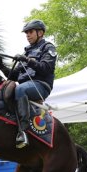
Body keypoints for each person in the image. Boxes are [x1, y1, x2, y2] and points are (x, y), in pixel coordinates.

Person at [10, 20, 57, 148]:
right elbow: (13, 76)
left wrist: (26, 60)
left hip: (41, 85)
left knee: (20, 90)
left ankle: (23, 131)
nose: (28, 35)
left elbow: (45, 68)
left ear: (40, 32)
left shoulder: (48, 47)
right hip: (27, 85)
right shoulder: (27, 51)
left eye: (30, 32)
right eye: (26, 33)